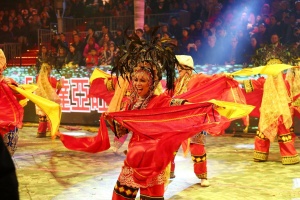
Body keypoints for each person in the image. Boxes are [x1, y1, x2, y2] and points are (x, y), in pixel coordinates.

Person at [0, 49, 25, 155]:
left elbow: (22, 95)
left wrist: (14, 87)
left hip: (7, 125)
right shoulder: (5, 82)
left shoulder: (7, 82)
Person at [35, 63, 61, 138]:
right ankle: (53, 132)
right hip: (49, 100)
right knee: (51, 116)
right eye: (50, 69)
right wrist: (60, 82)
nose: (51, 70)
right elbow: (59, 87)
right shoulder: (51, 80)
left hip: (40, 100)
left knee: (42, 117)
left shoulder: (38, 78)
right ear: (47, 70)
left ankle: (41, 132)